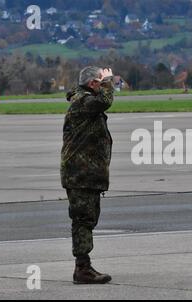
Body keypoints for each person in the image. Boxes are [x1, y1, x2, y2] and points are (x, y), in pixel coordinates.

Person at [60, 66, 114, 284]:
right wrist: (109, 81)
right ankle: (82, 268)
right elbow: (104, 101)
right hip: (80, 174)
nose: (103, 87)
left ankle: (83, 266)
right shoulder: (83, 101)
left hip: (86, 173)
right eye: (100, 83)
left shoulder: (83, 101)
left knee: (87, 219)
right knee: (82, 219)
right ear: (93, 83)